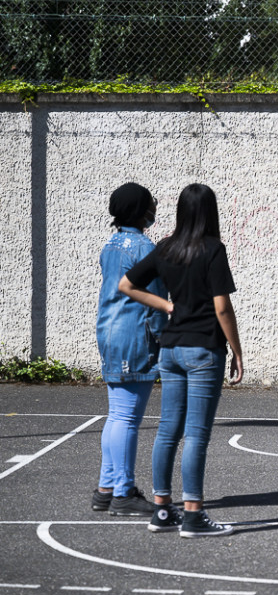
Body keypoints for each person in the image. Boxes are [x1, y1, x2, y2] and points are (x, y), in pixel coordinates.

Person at [118, 183, 244, 538]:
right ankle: (192, 514)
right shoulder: (213, 249)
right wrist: (237, 349)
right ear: (210, 212)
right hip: (204, 349)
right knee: (197, 435)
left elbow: (126, 285)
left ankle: (162, 510)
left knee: (168, 430)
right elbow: (222, 306)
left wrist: (166, 305)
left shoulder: (167, 248)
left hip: (171, 349)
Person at [92, 183, 166, 517]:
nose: (153, 210)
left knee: (116, 414)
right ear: (141, 211)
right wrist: (164, 336)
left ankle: (106, 488)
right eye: (150, 205)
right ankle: (123, 491)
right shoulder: (143, 248)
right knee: (126, 417)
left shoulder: (110, 245)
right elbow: (154, 300)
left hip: (108, 331)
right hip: (132, 335)